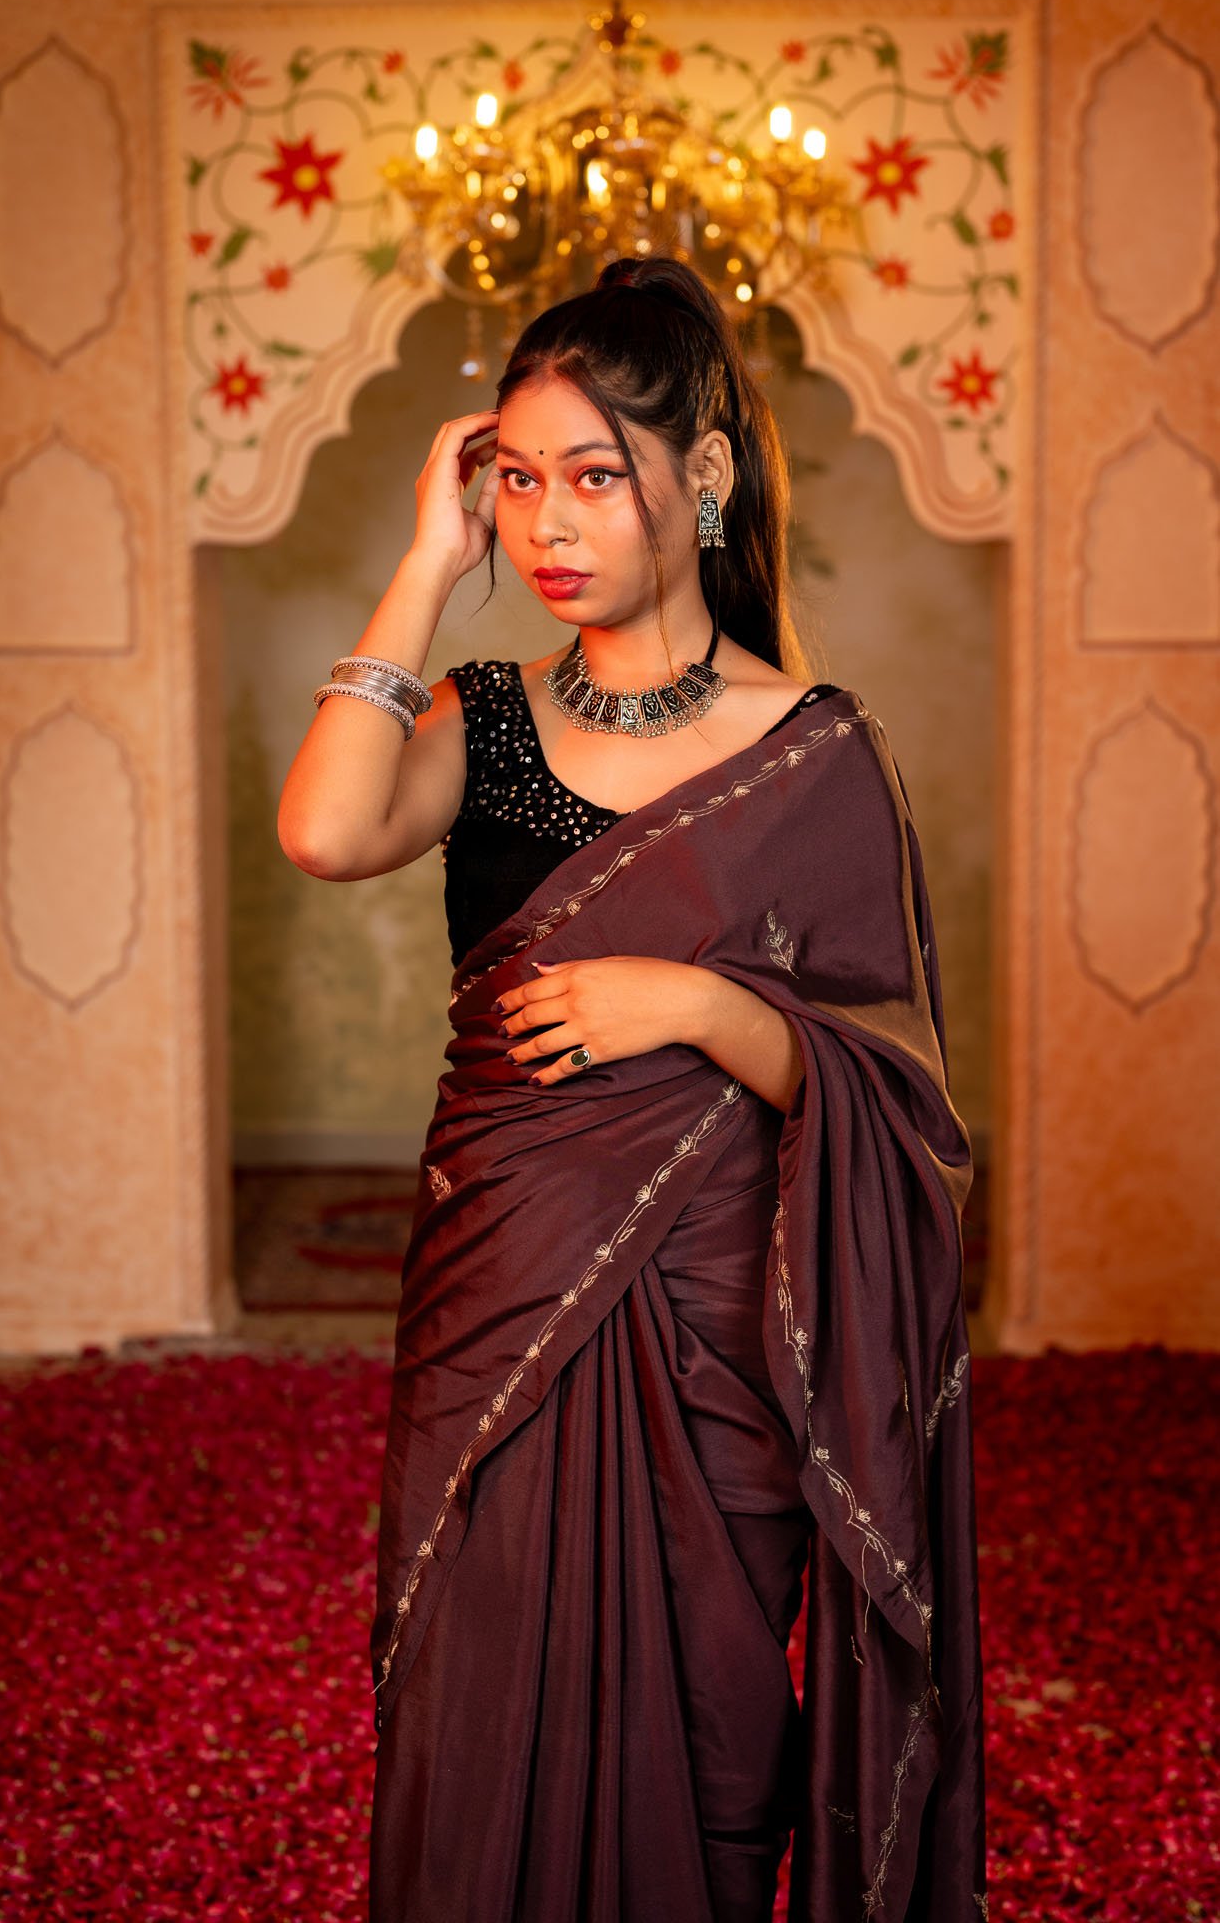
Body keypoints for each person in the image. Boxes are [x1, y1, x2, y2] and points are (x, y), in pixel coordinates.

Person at [277, 255, 986, 1923]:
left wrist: (701, 1007)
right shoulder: (487, 724)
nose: (548, 524)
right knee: (477, 1695)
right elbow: (324, 830)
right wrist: (423, 565)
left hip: (715, 1324)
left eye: (593, 477)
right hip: (501, 1292)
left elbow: (896, 1093)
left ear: (704, 475)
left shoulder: (814, 748)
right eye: (518, 482)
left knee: (715, 1723)